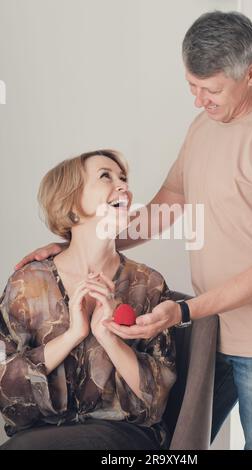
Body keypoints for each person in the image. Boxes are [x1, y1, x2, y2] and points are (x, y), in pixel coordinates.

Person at [15, 11, 252, 450]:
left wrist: (184, 313)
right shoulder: (205, 124)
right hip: (212, 330)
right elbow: (169, 204)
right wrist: (81, 241)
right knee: (179, 447)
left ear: (251, 74)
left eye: (211, 90)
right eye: (192, 87)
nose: (199, 101)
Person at [0, 150, 177, 450]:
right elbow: (6, 389)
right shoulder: (26, 284)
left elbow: (158, 401)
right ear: (71, 205)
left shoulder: (148, 285)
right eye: (106, 176)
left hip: (123, 438)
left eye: (124, 179)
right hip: (37, 437)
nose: (124, 186)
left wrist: (108, 337)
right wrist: (73, 335)